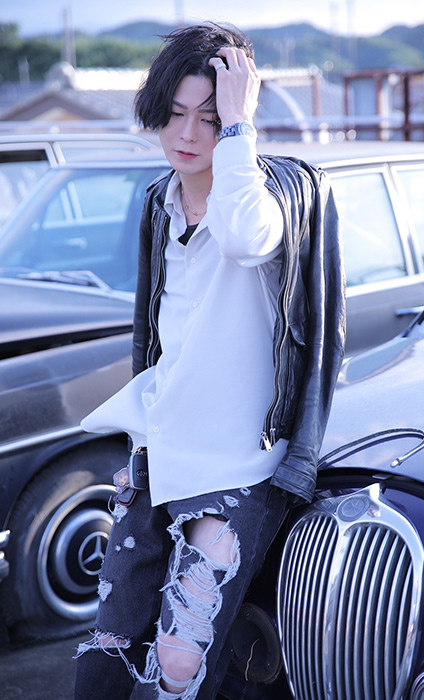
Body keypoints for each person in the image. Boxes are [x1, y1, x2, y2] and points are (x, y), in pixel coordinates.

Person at [74, 21, 345, 700]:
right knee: (109, 645)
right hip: (160, 451)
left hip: (235, 466)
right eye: (174, 114)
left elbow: (248, 239)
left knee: (180, 664)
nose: (188, 133)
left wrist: (240, 125)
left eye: (210, 117)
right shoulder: (159, 204)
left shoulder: (271, 196)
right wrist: (144, 435)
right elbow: (163, 338)